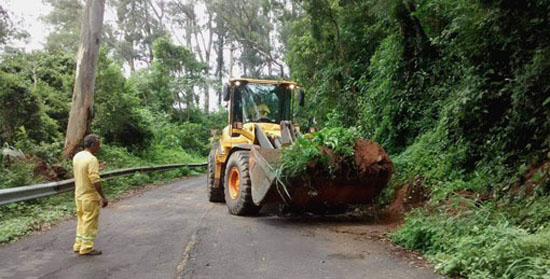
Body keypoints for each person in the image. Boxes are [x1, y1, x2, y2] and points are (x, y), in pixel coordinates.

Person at [72, 134, 108, 256]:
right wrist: (103, 197)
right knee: (90, 222)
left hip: (79, 195)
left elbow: (83, 173)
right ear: (92, 145)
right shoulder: (92, 159)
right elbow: (95, 181)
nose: (99, 147)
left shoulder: (78, 156)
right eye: (98, 145)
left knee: (81, 220)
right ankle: (87, 247)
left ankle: (78, 245)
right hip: (90, 197)